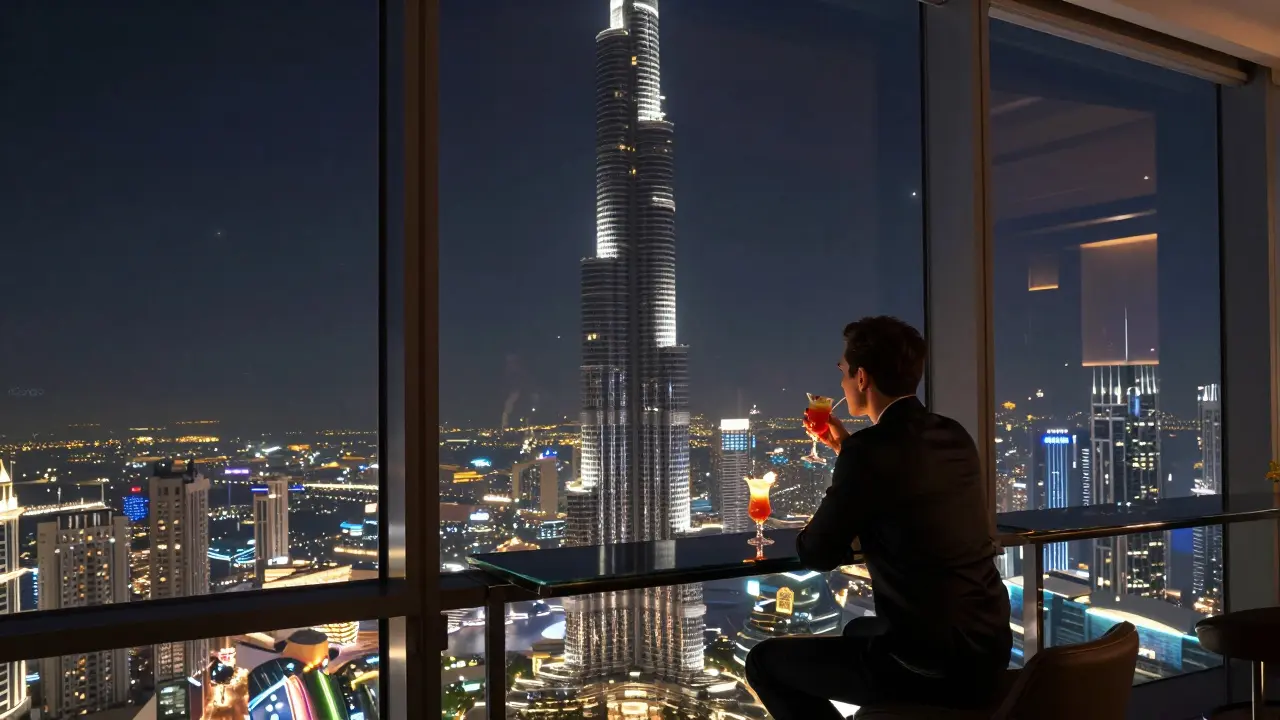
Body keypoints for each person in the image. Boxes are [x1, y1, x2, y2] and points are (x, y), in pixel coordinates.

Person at [745, 316, 1012, 719]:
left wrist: (849, 461)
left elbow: (816, 553)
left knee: (764, 663)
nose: (841, 384)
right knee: (856, 630)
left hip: (926, 663)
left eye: (843, 372)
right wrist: (847, 449)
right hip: (988, 647)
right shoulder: (953, 432)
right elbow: (911, 494)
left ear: (862, 377)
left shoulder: (869, 451)